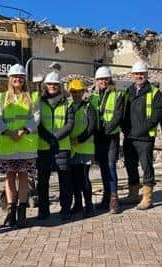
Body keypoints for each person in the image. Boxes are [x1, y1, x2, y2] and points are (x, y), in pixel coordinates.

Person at [0, 63, 40, 228]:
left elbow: (36, 116)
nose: (17, 79)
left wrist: (24, 130)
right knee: (9, 177)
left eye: (20, 77)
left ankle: (22, 212)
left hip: (25, 144)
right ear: (10, 79)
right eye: (15, 76)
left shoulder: (32, 97)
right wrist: (8, 131)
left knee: (23, 177)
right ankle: (11, 211)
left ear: (24, 79)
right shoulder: (1, 97)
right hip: (8, 145)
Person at [121, 61, 162, 210]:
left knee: (146, 166)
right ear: (132, 75)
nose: (139, 76)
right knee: (130, 165)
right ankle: (133, 194)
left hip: (145, 137)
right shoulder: (128, 92)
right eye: (136, 74)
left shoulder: (154, 92)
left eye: (142, 74)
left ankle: (148, 197)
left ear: (147, 75)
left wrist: (144, 129)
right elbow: (122, 113)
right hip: (130, 137)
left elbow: (158, 113)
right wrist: (125, 129)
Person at [37, 71, 75, 221]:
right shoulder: (38, 102)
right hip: (44, 147)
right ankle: (43, 210)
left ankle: (65, 209)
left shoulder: (68, 103)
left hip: (62, 147)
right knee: (42, 182)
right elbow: (37, 123)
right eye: (50, 84)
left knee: (65, 181)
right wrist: (49, 139)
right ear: (46, 86)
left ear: (60, 86)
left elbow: (70, 124)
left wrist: (55, 138)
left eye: (55, 84)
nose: (53, 86)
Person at [91, 66, 124, 214]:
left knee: (110, 166)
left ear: (109, 79)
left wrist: (105, 130)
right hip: (98, 137)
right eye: (100, 79)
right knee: (103, 167)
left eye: (105, 78)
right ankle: (106, 197)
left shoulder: (117, 95)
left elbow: (118, 116)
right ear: (96, 81)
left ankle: (114, 199)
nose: (103, 81)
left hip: (111, 137)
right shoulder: (93, 97)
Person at [68, 79, 97, 218]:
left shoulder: (88, 107)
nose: (76, 94)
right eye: (74, 92)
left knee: (84, 178)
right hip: (72, 149)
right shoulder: (68, 106)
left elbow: (91, 128)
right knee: (73, 179)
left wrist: (78, 139)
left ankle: (89, 205)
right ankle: (78, 204)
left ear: (83, 92)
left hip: (85, 148)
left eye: (79, 91)